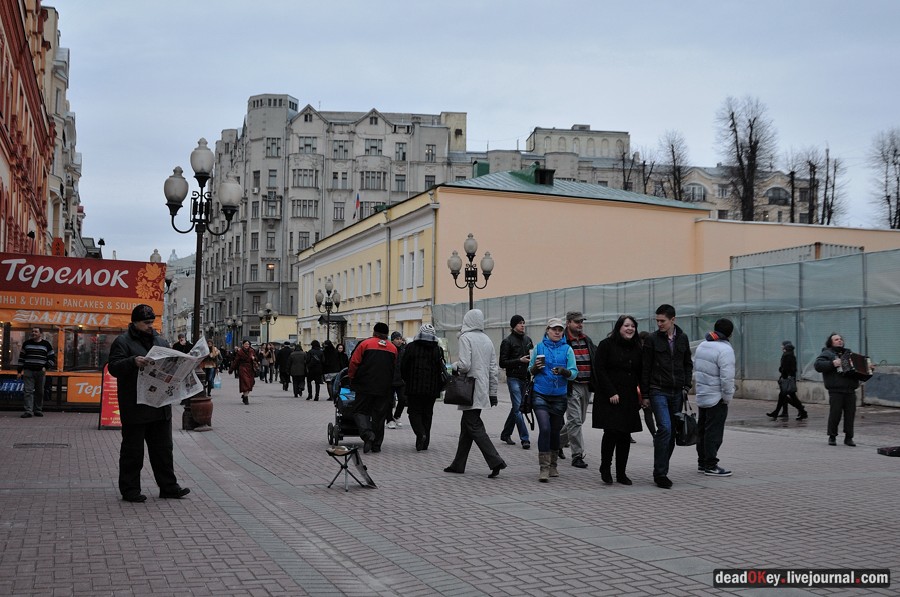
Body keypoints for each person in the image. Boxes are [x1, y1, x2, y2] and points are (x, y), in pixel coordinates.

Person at [107, 304, 190, 503]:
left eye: (152, 322)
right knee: (133, 452)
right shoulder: (122, 341)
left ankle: (169, 487)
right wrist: (132, 362)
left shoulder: (160, 340)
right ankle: (130, 490)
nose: (150, 326)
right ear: (134, 322)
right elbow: (113, 367)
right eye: (146, 323)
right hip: (135, 406)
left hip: (160, 406)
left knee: (163, 450)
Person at [444, 309, 507, 478]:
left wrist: (453, 366)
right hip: (482, 389)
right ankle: (458, 464)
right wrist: (493, 392)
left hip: (469, 389)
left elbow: (464, 365)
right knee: (466, 428)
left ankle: (495, 461)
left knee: (473, 426)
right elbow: (493, 368)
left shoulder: (465, 337)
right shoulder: (486, 339)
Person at [641, 304, 692, 489]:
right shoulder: (652, 340)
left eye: (662, 321)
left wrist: (687, 384)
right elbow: (645, 367)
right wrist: (645, 394)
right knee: (665, 428)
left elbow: (688, 363)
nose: (659, 324)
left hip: (677, 391)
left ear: (673, 320)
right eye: (657, 321)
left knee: (671, 434)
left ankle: (662, 469)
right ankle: (660, 473)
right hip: (658, 389)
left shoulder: (683, 338)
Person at [592, 315, 643, 485]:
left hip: (629, 396)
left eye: (633, 326)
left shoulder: (637, 347)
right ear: (619, 327)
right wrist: (610, 392)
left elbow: (640, 372)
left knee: (625, 434)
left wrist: (643, 395)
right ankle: (605, 467)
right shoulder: (606, 345)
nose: (630, 329)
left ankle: (621, 472)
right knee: (612, 432)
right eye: (626, 325)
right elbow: (599, 369)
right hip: (610, 396)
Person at [527, 317, 577, 482]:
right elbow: (530, 370)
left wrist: (564, 371)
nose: (557, 332)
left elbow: (574, 372)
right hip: (540, 393)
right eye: (554, 329)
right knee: (545, 428)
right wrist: (535, 368)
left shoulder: (567, 349)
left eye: (560, 330)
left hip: (559, 396)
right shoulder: (539, 347)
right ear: (547, 330)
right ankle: (544, 467)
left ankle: (553, 465)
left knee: (555, 431)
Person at [815, 333, 873, 447]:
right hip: (836, 390)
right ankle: (832, 437)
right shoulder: (827, 353)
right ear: (831, 342)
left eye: (841, 339)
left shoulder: (849, 354)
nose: (839, 341)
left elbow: (860, 375)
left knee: (850, 415)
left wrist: (868, 370)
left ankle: (849, 437)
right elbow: (818, 365)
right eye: (836, 339)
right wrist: (832, 363)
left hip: (850, 390)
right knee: (835, 414)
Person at [694, 318, 736, 477]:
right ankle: (711, 464)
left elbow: (697, 370)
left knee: (703, 430)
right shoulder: (725, 350)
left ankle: (702, 462)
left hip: (703, 395)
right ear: (730, 333)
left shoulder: (702, 346)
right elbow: (727, 378)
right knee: (714, 432)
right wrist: (727, 397)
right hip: (716, 397)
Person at [349, 323, 397, 453]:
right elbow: (394, 367)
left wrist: (351, 377)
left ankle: (367, 434)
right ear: (387, 334)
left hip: (364, 385)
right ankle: (376, 445)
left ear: (374, 332)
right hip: (384, 388)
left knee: (360, 411)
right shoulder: (393, 348)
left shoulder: (365, 344)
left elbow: (354, 362)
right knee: (379, 416)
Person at [559, 311, 596, 469]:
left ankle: (554, 444)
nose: (580, 324)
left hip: (587, 386)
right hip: (571, 385)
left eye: (581, 322)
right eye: (577, 322)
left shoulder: (586, 340)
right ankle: (577, 455)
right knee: (575, 421)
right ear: (568, 323)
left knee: (579, 420)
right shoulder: (563, 340)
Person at [400, 323, 445, 451]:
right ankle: (424, 443)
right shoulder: (437, 349)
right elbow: (440, 368)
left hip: (414, 387)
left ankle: (420, 434)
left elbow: (403, 366)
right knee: (427, 414)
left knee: (413, 412)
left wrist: (406, 379)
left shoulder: (411, 347)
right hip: (432, 388)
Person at [498, 315, 534, 449]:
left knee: (516, 407)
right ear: (513, 326)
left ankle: (506, 433)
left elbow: (533, 357)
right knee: (519, 408)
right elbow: (502, 362)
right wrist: (519, 360)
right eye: (520, 323)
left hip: (526, 378)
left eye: (524, 323)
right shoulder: (507, 341)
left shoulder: (528, 340)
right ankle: (525, 438)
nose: (522, 325)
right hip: (513, 378)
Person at [17, 326, 56, 418]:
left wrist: (46, 367)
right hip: (28, 371)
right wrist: (19, 371)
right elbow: (21, 358)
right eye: (32, 331)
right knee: (28, 391)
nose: (33, 333)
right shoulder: (26, 344)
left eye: (36, 331)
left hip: (40, 371)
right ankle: (28, 411)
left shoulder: (46, 344)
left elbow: (52, 358)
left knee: (40, 392)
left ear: (40, 334)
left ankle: (38, 409)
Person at [767, 341, 808, 420]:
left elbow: (785, 368)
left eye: (783, 346)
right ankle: (802, 411)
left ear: (785, 348)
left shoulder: (786, 356)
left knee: (784, 396)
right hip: (790, 379)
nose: (782, 348)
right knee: (787, 397)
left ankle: (801, 411)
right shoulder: (792, 356)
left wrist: (782, 373)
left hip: (786, 380)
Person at [387, 331, 407, 429]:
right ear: (392, 340)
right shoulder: (389, 350)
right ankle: (389, 419)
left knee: (402, 399)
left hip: (401, 380)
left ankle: (396, 416)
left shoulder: (404, 350)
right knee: (389, 401)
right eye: (397, 339)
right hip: (390, 379)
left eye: (400, 339)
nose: (399, 341)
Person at [229, 339, 258, 404]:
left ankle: (244, 395)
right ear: (243, 345)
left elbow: (256, 358)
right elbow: (236, 361)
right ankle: (246, 398)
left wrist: (254, 358)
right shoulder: (240, 352)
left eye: (248, 344)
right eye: (245, 344)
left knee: (251, 383)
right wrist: (231, 369)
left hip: (250, 369)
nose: (247, 345)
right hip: (243, 368)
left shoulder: (252, 351)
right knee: (245, 383)